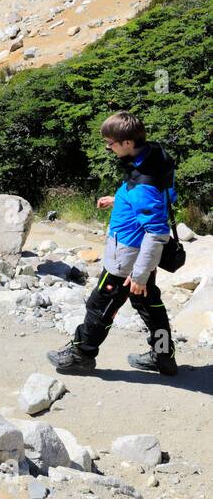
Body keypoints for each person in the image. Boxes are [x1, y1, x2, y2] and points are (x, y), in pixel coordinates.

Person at [48, 112, 180, 377]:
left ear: (127, 142)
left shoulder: (143, 185)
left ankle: (81, 354)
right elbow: (165, 194)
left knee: (101, 304)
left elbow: (156, 233)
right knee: (150, 304)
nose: (108, 147)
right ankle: (163, 357)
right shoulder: (154, 155)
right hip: (142, 254)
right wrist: (120, 199)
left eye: (110, 143)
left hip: (128, 255)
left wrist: (139, 275)